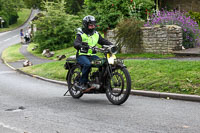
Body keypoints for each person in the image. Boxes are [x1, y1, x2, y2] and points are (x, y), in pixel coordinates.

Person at [74, 15, 113, 91]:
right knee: (87, 64)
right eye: (90, 25)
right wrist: (81, 45)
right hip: (82, 55)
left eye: (94, 25)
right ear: (86, 25)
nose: (93, 26)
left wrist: (112, 45)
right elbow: (76, 43)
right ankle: (82, 83)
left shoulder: (96, 34)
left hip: (92, 55)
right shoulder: (81, 34)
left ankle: (100, 82)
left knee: (103, 63)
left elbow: (103, 41)